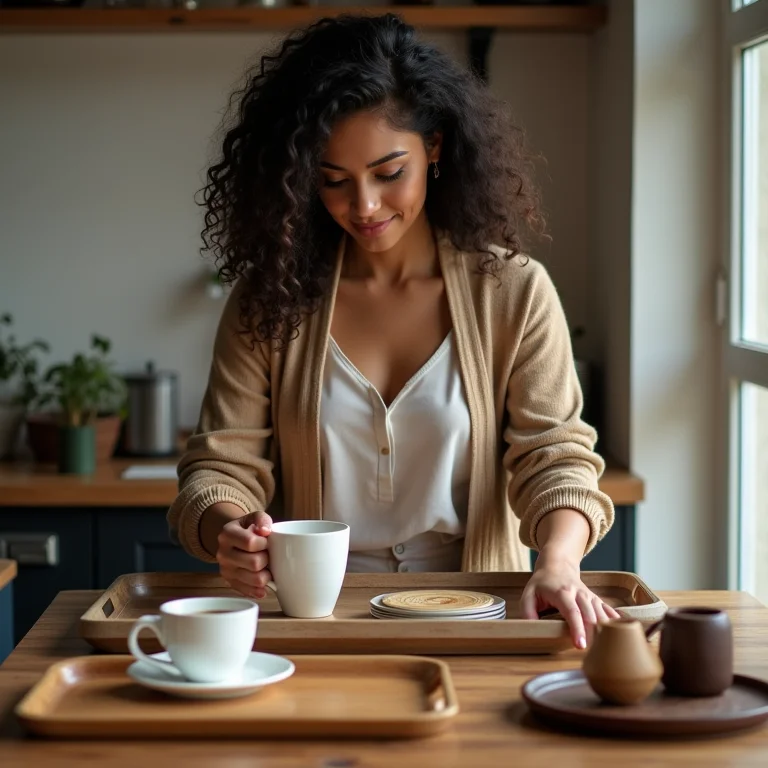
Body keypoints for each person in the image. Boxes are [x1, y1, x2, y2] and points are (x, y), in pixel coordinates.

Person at [167, 13, 619, 649]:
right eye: (333, 181)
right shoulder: (269, 300)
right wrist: (232, 533)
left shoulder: (514, 292)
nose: (364, 206)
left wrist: (559, 562)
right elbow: (221, 463)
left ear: (434, 148)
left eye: (387, 173)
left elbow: (557, 457)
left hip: (481, 618)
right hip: (315, 626)